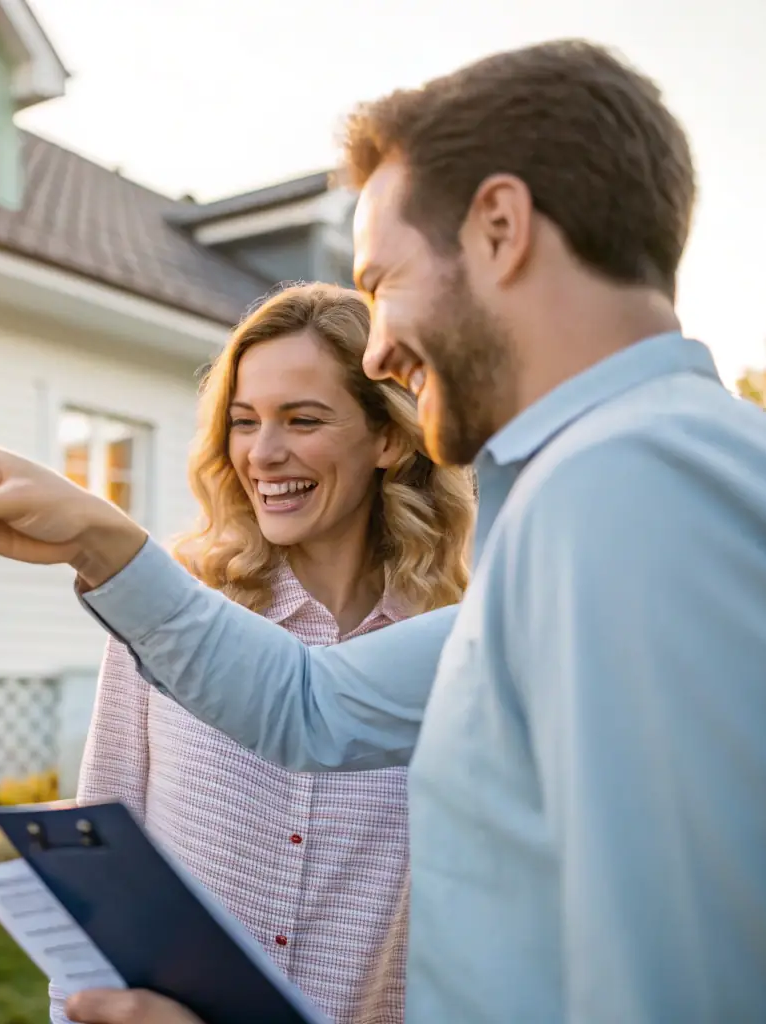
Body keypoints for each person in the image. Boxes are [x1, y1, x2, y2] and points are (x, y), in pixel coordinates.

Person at [0, 39, 766, 1024]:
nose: (378, 346)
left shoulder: (630, 491)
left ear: (501, 227)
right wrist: (99, 540)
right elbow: (315, 706)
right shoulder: (619, 483)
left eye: (383, 281)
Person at [49, 284, 474, 1024]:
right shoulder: (172, 614)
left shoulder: (455, 640)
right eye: (242, 423)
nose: (263, 454)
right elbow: (97, 858)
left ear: (389, 438)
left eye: (302, 420)